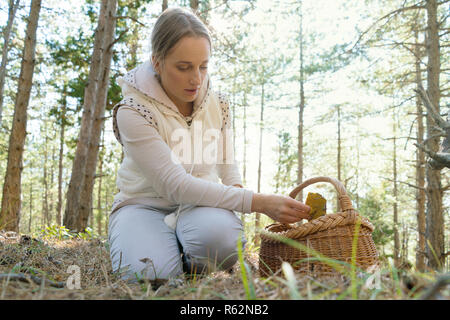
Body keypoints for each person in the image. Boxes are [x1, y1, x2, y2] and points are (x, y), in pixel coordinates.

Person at [108, 7, 310, 283]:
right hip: (144, 205)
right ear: (157, 62)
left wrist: (236, 193)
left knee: (223, 242)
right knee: (149, 275)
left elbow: (227, 165)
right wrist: (258, 202)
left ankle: (190, 256)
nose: (197, 79)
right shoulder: (133, 110)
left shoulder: (219, 103)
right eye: (184, 67)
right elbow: (174, 185)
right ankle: (157, 246)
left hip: (200, 206)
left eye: (203, 66)